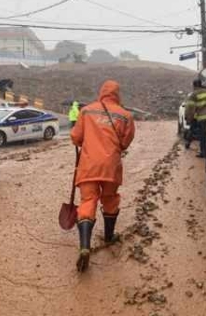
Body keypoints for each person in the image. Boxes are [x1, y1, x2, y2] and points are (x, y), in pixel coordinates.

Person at [70, 80, 135, 273]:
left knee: (88, 201)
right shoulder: (126, 116)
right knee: (110, 199)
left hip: (88, 165)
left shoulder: (87, 111)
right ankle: (108, 237)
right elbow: (126, 141)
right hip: (111, 167)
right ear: (117, 94)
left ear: (101, 92)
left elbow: (75, 137)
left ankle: (84, 246)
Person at [185, 78, 206, 158]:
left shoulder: (193, 95)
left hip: (199, 117)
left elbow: (190, 109)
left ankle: (199, 150)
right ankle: (205, 151)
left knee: (194, 131)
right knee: (204, 135)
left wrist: (188, 118)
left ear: (194, 85)